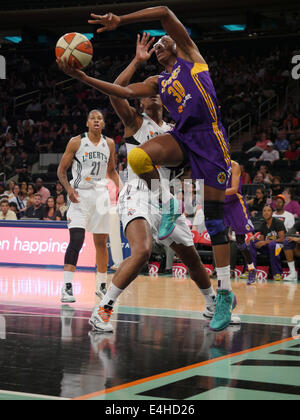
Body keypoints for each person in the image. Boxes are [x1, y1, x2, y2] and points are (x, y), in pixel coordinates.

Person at [58, 6, 235, 332]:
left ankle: (218, 299)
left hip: (204, 144)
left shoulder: (191, 60)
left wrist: (121, 20)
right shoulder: (144, 106)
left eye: (162, 41)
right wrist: (84, 78)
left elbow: (166, 12)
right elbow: (121, 91)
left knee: (201, 244)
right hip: (144, 192)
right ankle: (105, 308)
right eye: (155, 46)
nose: (158, 44)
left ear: (176, 46)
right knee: (140, 244)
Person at [57, 109, 122, 303]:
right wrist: (68, 189)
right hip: (80, 195)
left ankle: (101, 286)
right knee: (76, 240)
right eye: (93, 118)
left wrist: (123, 191)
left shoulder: (109, 143)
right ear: (87, 123)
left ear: (103, 124)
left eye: (100, 118)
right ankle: (67, 287)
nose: (96, 120)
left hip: (100, 196)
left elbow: (112, 171)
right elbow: (61, 171)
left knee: (101, 243)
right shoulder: (76, 142)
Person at [224, 161, 256, 285]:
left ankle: (251, 268)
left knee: (240, 242)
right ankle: (222, 271)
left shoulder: (234, 165)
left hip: (235, 204)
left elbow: (234, 189)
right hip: (222, 203)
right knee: (220, 238)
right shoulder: (214, 164)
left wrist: (216, 192)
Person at [249, 205, 286, 281]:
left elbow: (282, 239)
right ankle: (251, 271)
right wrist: (256, 240)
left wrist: (265, 242)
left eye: (268, 210)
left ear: (272, 213)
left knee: (272, 245)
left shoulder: (278, 222)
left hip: (279, 247)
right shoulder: (263, 224)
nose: (266, 213)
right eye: (264, 211)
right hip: (268, 246)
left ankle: (277, 273)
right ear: (262, 213)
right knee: (252, 243)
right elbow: (262, 239)